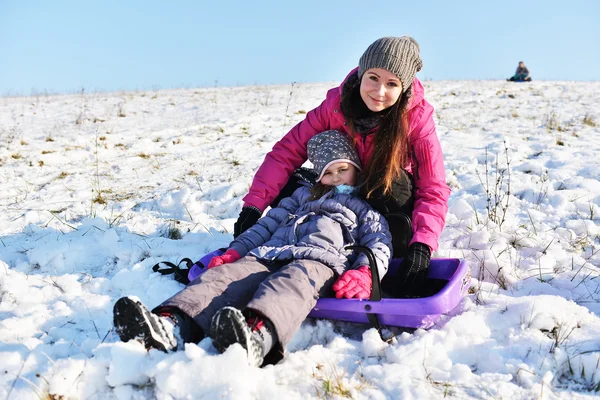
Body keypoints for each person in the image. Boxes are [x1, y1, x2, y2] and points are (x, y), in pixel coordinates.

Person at [113, 130, 393, 367]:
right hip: (269, 253)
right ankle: (172, 323)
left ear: (356, 168)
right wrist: (235, 251)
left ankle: (256, 334)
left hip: (317, 261)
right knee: (224, 278)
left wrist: (365, 273)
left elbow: (379, 244)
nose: (336, 178)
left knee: (291, 285)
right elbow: (265, 227)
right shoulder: (300, 197)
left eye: (342, 170)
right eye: (327, 173)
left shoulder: (365, 209)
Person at [234, 36, 450, 297]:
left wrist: (423, 246)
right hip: (339, 187)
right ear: (361, 74)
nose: (379, 91)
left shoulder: (417, 119)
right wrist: (254, 205)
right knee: (291, 182)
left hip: (382, 197)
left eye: (391, 84)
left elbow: (433, 186)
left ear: (403, 88)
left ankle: (381, 249)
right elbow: (285, 153)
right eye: (373, 78)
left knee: (394, 183)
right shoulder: (335, 106)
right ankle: (308, 233)